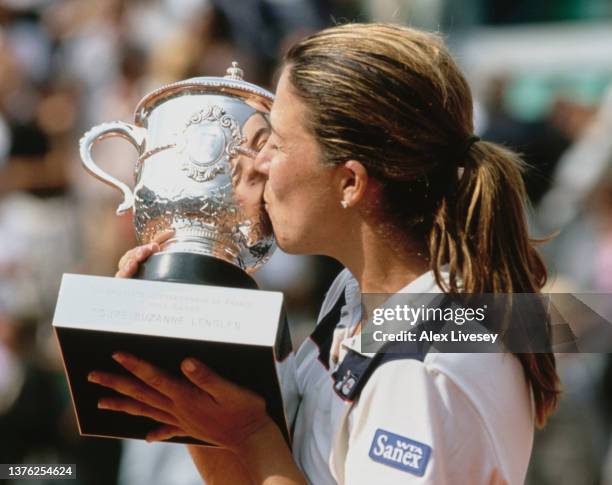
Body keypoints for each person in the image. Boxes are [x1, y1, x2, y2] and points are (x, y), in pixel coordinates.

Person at [87, 23, 560, 484]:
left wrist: (251, 435)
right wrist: (192, 319)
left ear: (350, 183)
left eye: (276, 141)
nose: (260, 163)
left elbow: (261, 452)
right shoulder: (354, 296)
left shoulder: (423, 369)